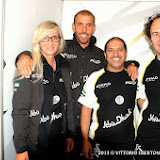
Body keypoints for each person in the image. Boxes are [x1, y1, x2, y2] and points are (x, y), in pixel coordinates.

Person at [15, 10, 139, 159]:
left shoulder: (101, 54)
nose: (84, 30)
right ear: (73, 26)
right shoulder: (60, 48)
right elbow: (40, 54)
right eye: (80, 24)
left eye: (88, 25)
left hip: (92, 129)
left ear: (93, 28)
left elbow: (117, 62)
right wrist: (23, 56)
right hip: (66, 129)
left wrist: (132, 64)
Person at [12, 21, 75, 160]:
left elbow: (68, 102)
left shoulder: (64, 66)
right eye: (45, 38)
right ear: (38, 41)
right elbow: (20, 111)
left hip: (60, 142)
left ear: (59, 40)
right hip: (36, 147)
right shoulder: (28, 68)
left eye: (54, 37)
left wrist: (70, 133)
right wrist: (21, 148)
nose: (50, 42)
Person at [78, 37, 138, 160]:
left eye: (120, 50)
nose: (116, 54)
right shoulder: (94, 78)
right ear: (105, 55)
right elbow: (86, 110)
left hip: (128, 146)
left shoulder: (134, 77)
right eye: (111, 50)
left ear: (126, 54)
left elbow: (144, 105)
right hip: (99, 144)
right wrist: (84, 140)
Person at [136, 13, 160, 160]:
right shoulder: (145, 67)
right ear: (150, 40)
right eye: (155, 34)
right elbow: (140, 98)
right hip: (147, 142)